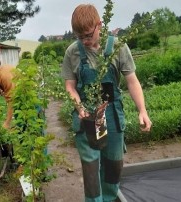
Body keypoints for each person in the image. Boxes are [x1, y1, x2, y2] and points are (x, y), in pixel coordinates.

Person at [61, 4, 152, 202]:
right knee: (91, 169)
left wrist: (142, 110)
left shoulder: (118, 48)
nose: (84, 41)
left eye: (87, 35)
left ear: (99, 25)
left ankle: (110, 198)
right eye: (79, 37)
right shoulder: (72, 52)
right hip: (87, 116)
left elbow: (132, 81)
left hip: (111, 115)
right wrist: (79, 106)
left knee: (113, 166)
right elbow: (70, 86)